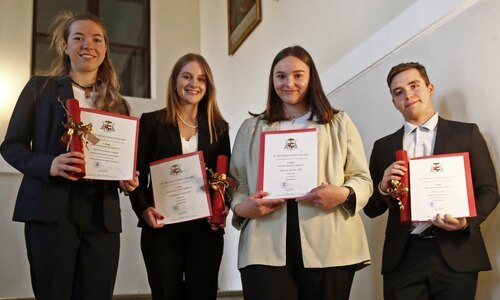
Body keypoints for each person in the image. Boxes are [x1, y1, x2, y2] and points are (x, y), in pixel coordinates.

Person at [0, 12, 139, 300]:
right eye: (78, 38)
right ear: (65, 46)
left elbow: (122, 161)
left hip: (102, 216)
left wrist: (127, 179)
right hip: (51, 210)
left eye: (96, 39)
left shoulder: (118, 104)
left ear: (105, 49)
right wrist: (49, 164)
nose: (88, 44)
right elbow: (11, 146)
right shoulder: (40, 88)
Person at [229, 45, 373, 300]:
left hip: (330, 242)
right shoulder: (251, 128)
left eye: (298, 75)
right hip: (264, 243)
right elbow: (236, 184)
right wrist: (242, 208)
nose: (289, 83)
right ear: (272, 80)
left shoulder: (338, 123)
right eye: (281, 76)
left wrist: (341, 194)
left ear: (311, 78)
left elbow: (362, 179)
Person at [363, 62, 499, 299]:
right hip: (403, 257)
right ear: (394, 103)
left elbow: (489, 190)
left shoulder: (466, 133)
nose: (408, 95)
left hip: (456, 251)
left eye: (414, 85)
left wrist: (466, 221)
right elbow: (371, 208)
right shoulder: (383, 147)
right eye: (398, 92)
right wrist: (383, 189)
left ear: (430, 88)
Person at [129, 53, 231, 300]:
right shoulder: (152, 122)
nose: (193, 84)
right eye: (187, 76)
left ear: (208, 87)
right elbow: (137, 177)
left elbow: (224, 177)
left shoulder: (219, 128)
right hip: (162, 228)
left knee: (203, 294)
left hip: (205, 231)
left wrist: (224, 206)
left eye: (201, 79)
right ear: (175, 81)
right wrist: (143, 209)